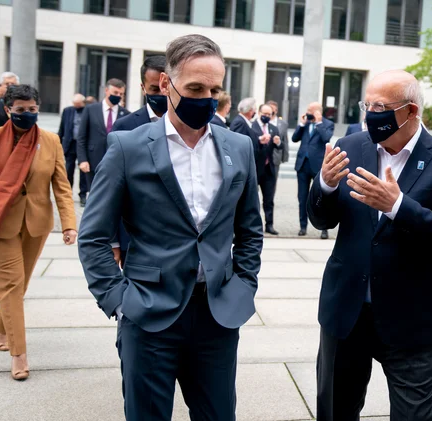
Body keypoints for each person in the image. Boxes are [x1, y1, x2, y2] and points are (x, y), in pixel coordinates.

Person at [78, 34, 263, 421]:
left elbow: (249, 229)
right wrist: (117, 299)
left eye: (214, 89)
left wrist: (243, 285)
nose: (207, 99)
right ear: (166, 84)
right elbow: (94, 235)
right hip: (147, 314)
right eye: (195, 88)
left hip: (217, 314)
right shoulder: (127, 147)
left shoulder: (238, 147)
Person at [308, 70, 432, 421]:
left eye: (381, 106)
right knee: (335, 410)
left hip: (410, 317)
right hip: (347, 311)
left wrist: (398, 206)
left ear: (411, 111)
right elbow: (322, 220)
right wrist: (324, 184)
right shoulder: (349, 147)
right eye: (367, 104)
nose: (371, 113)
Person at [0, 85, 77, 381]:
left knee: (21, 284)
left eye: (32, 109)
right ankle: (19, 355)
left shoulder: (50, 140)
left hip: (36, 224)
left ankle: (2, 328)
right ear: (8, 110)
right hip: (2, 224)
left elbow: (61, 186)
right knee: (11, 285)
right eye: (21, 110)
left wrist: (69, 223)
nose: (28, 115)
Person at [111, 55, 167, 267]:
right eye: (154, 89)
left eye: (165, 87)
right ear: (143, 87)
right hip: (134, 239)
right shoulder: (124, 128)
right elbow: (113, 189)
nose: (161, 94)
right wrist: (113, 240)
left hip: (178, 240)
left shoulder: (190, 126)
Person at [76, 78, 129, 191]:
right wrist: (82, 160)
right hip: (93, 161)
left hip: (115, 163)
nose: (118, 96)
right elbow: (81, 137)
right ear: (106, 91)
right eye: (115, 93)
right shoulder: (91, 110)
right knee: (94, 194)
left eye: (121, 94)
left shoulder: (125, 114)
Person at [293, 102, 335, 239]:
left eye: (310, 110)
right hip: (303, 165)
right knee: (302, 197)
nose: (308, 112)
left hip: (318, 165)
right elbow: (294, 138)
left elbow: (326, 138)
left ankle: (324, 228)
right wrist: (301, 124)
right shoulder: (305, 124)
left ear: (318, 112)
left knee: (322, 198)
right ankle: (302, 226)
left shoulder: (327, 124)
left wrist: (318, 123)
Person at [251, 103, 282, 235]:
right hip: (255, 167)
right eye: (264, 114)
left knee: (269, 199)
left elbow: (280, 146)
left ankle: (269, 224)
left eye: (269, 115)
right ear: (259, 113)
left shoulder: (273, 128)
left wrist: (278, 142)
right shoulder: (252, 126)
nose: (267, 117)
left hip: (269, 169)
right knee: (252, 198)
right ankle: (253, 225)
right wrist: (259, 140)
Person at [58, 93, 89, 206]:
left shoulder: (87, 111)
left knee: (83, 171)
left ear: (83, 103)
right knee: (68, 170)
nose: (76, 106)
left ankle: (83, 195)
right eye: (74, 104)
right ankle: (67, 194)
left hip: (82, 145)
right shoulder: (67, 111)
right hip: (70, 144)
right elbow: (62, 128)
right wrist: (59, 142)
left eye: (78, 104)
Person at [266, 100, 289, 176]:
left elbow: (285, 140)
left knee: (272, 183)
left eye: (274, 109)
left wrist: (285, 157)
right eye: (270, 108)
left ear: (276, 110)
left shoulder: (283, 124)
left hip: (275, 157)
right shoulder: (261, 121)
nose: (272, 110)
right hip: (262, 157)